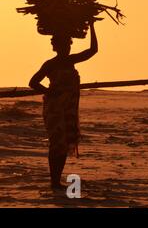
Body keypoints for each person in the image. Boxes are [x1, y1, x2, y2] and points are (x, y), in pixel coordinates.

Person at [29, 22, 98, 191]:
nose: (66, 48)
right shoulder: (50, 64)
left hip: (69, 108)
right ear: (56, 47)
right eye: (62, 45)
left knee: (66, 142)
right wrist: (49, 92)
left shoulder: (71, 60)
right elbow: (33, 82)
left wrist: (93, 26)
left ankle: (56, 181)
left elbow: (93, 50)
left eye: (68, 45)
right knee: (57, 143)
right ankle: (54, 182)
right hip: (54, 108)